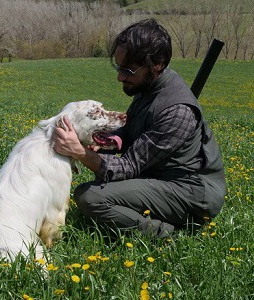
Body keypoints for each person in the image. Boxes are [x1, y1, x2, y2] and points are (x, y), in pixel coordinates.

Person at [53, 19, 226, 239]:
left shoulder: (178, 111)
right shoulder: (149, 87)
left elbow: (128, 166)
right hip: (158, 175)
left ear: (157, 64)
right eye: (118, 67)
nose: (120, 77)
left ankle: (168, 235)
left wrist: (80, 153)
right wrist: (107, 142)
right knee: (101, 186)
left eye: (128, 70)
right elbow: (132, 131)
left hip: (191, 193)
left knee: (91, 197)